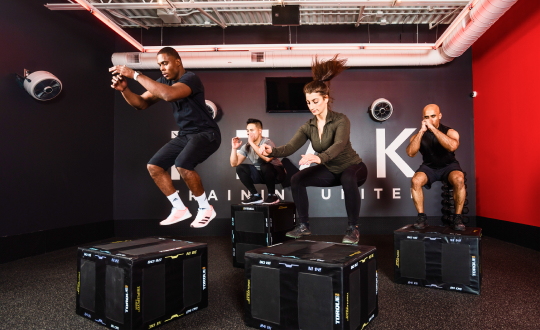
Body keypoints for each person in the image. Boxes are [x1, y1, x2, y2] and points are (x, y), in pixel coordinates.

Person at [109, 47, 221, 228]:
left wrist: (135, 75)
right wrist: (125, 90)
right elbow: (141, 104)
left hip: (206, 133)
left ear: (178, 62)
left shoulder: (190, 79)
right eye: (159, 64)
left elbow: (168, 95)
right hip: (186, 135)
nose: (162, 68)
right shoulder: (163, 82)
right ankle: (179, 209)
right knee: (154, 166)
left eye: (165, 63)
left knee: (183, 164)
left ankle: (205, 208)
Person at [261, 55, 368, 245]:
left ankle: (353, 229)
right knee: (296, 179)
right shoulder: (308, 126)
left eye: (315, 101)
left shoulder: (341, 120)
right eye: (308, 102)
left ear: (326, 99)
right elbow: (290, 146)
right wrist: (272, 151)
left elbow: (339, 145)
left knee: (347, 177)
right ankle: (304, 226)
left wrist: (318, 158)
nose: (311, 106)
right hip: (330, 170)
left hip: (352, 167)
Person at [406, 104, 466, 231]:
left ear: (440, 116)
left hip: (449, 166)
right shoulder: (419, 135)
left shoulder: (450, 132)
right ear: (423, 118)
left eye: (433, 116)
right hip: (430, 167)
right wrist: (422, 131)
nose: (429, 120)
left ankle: (457, 217)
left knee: (459, 179)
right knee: (415, 180)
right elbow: (410, 153)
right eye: (426, 117)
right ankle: (422, 218)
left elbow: (452, 147)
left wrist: (433, 129)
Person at [230, 119, 286, 205]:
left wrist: (252, 143)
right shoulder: (247, 146)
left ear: (260, 131)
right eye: (247, 131)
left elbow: (267, 159)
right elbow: (234, 163)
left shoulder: (267, 142)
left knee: (265, 165)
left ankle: (272, 195)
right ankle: (255, 196)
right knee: (240, 168)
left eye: (252, 130)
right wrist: (234, 148)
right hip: (262, 174)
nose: (249, 133)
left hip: (277, 174)